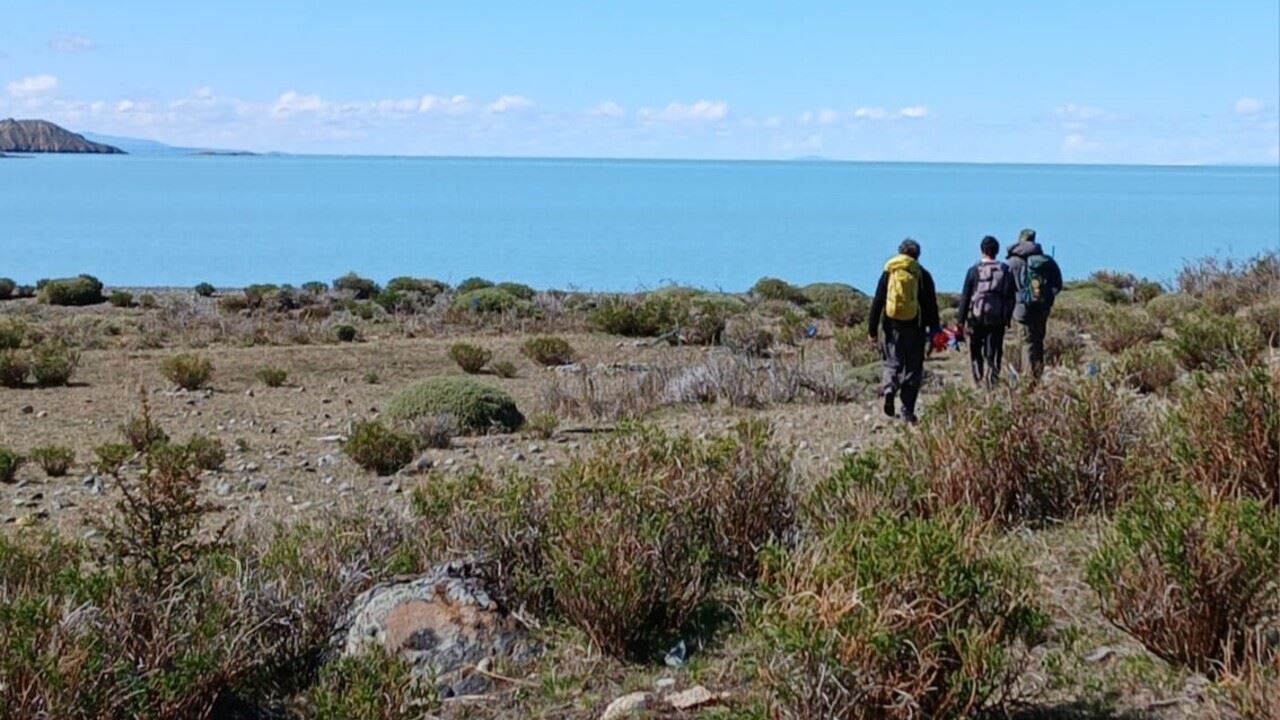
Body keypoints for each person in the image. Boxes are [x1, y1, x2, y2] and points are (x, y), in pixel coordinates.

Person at [867, 238, 940, 423]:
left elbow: (878, 301)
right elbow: (931, 306)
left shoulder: (889, 272)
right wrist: (934, 332)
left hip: (892, 327)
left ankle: (889, 388)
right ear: (917, 256)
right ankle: (907, 410)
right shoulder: (922, 275)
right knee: (913, 370)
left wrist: (872, 330)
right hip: (916, 328)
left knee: (892, 362)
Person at [956, 235, 1015, 386]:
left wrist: (960, 322)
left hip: (976, 317)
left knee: (976, 348)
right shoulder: (1005, 270)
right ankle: (992, 378)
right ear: (997, 251)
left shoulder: (974, 271)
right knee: (994, 348)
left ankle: (978, 377)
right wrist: (1007, 317)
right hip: (997, 318)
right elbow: (1011, 297)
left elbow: (965, 297)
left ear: (982, 250)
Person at [1006, 228, 1063, 380]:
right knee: (1038, 341)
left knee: (1026, 343)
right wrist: (1047, 298)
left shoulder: (1012, 263)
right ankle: (1038, 375)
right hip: (1042, 307)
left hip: (1021, 309)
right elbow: (1058, 284)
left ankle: (1029, 380)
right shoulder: (1047, 261)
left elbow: (1006, 288)